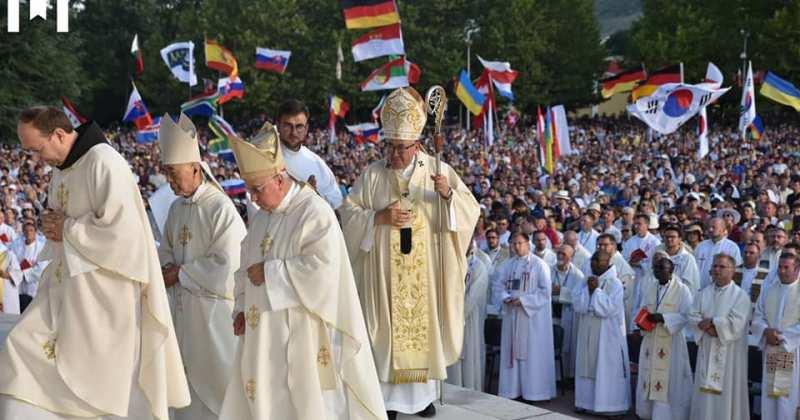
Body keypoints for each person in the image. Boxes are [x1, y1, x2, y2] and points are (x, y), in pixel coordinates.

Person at [0, 106, 190, 418]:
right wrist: (53, 227)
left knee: (102, 389)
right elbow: (63, 227)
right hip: (64, 290)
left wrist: (67, 229)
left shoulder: (104, 162)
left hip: (103, 299)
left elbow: (125, 237)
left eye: (37, 149)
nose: (36, 159)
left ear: (59, 135)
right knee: (20, 351)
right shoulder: (63, 169)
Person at [220, 122, 386, 419]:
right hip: (262, 333)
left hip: (303, 332)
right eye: (250, 190)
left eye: (257, 190)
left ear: (280, 180)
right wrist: (241, 309)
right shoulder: (261, 217)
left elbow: (324, 269)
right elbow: (245, 266)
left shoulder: (314, 212)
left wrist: (270, 273)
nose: (253, 198)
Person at [339, 87, 480, 419]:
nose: (394, 154)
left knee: (420, 332)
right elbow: (348, 212)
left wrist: (447, 197)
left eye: (400, 148)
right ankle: (387, 402)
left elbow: (469, 210)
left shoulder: (437, 171)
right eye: (389, 146)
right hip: (383, 276)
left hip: (424, 275)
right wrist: (378, 217)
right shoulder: (373, 174)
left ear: (417, 144)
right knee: (385, 334)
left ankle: (420, 400)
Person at [156, 114, 247, 420]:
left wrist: (179, 273)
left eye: (174, 173)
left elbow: (228, 263)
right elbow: (166, 250)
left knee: (219, 396)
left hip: (213, 321)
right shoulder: (175, 208)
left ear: (195, 168)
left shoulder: (219, 207)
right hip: (184, 317)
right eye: (166, 173)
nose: (170, 180)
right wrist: (168, 266)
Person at [493, 232, 556, 402]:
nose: (516, 247)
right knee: (512, 352)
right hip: (513, 316)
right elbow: (498, 285)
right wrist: (505, 297)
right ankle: (512, 390)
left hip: (531, 319)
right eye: (513, 243)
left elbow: (545, 292)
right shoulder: (508, 265)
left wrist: (524, 301)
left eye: (519, 243)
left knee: (532, 354)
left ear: (528, 244)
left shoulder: (539, 265)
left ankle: (535, 392)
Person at [688, 254, 751, 420]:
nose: (717, 270)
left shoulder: (740, 296)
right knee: (704, 395)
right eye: (715, 266)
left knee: (727, 393)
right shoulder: (703, 293)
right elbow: (693, 316)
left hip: (730, 356)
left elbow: (736, 323)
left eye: (722, 267)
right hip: (707, 349)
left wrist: (713, 323)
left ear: (732, 270)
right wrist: (710, 327)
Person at [634, 253, 693, 420]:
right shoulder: (650, 286)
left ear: (672, 270)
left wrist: (664, 318)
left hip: (671, 341)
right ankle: (647, 413)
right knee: (649, 375)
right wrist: (641, 322)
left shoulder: (682, 289)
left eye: (662, 268)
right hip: (651, 338)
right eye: (656, 268)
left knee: (668, 380)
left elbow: (688, 315)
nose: (658, 271)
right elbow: (644, 307)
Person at [572, 250, 631, 415]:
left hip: (607, 335)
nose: (593, 263)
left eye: (598, 260)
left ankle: (610, 407)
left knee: (606, 367)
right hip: (587, 331)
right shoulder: (586, 280)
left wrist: (595, 291)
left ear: (608, 262)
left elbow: (609, 309)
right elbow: (577, 304)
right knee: (586, 365)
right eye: (593, 260)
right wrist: (587, 291)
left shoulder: (615, 283)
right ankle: (586, 403)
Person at [751, 253, 800, 420]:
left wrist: (782, 337)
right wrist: (765, 331)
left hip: (792, 351)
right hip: (772, 349)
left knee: (787, 398)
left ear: (797, 269)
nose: (782, 271)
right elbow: (757, 315)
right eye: (780, 267)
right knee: (771, 396)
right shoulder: (769, 289)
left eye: (786, 267)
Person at [277, 99, 343, 210]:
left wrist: (315, 196)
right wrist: (304, 194)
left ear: (306, 128)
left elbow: (337, 201)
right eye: (288, 126)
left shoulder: (316, 162)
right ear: (278, 125)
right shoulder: (267, 158)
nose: (293, 132)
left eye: (299, 126)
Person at [446, 243, 489, 392]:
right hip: (450, 318)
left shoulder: (478, 266)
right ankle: (452, 386)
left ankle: (470, 388)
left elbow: (474, 295)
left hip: (468, 318)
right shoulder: (450, 262)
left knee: (469, 353)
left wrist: (458, 313)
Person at [551, 243, 585, 381]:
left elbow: (579, 297)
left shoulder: (578, 275)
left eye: (564, 254)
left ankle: (565, 376)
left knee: (566, 346)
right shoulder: (548, 270)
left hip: (568, 314)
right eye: (559, 253)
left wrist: (562, 292)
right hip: (551, 312)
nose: (560, 256)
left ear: (571, 257)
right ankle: (552, 376)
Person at [694, 218, 742, 290]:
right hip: (700, 291)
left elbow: (736, 272)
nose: (710, 229)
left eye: (713, 227)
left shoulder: (732, 247)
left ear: (723, 229)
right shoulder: (701, 246)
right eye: (709, 227)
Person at [9, 219, 47, 312]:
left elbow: (42, 268)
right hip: (18, 285)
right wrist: (18, 269)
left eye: (31, 230)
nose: (28, 233)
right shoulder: (16, 245)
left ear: (35, 231)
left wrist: (23, 273)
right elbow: (10, 261)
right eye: (26, 231)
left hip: (33, 286)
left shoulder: (41, 246)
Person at [658, 224, 700, 297]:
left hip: (679, 297)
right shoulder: (658, 255)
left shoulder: (687, 258)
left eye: (673, 237)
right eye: (667, 237)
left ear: (680, 239)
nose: (669, 239)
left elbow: (690, 284)